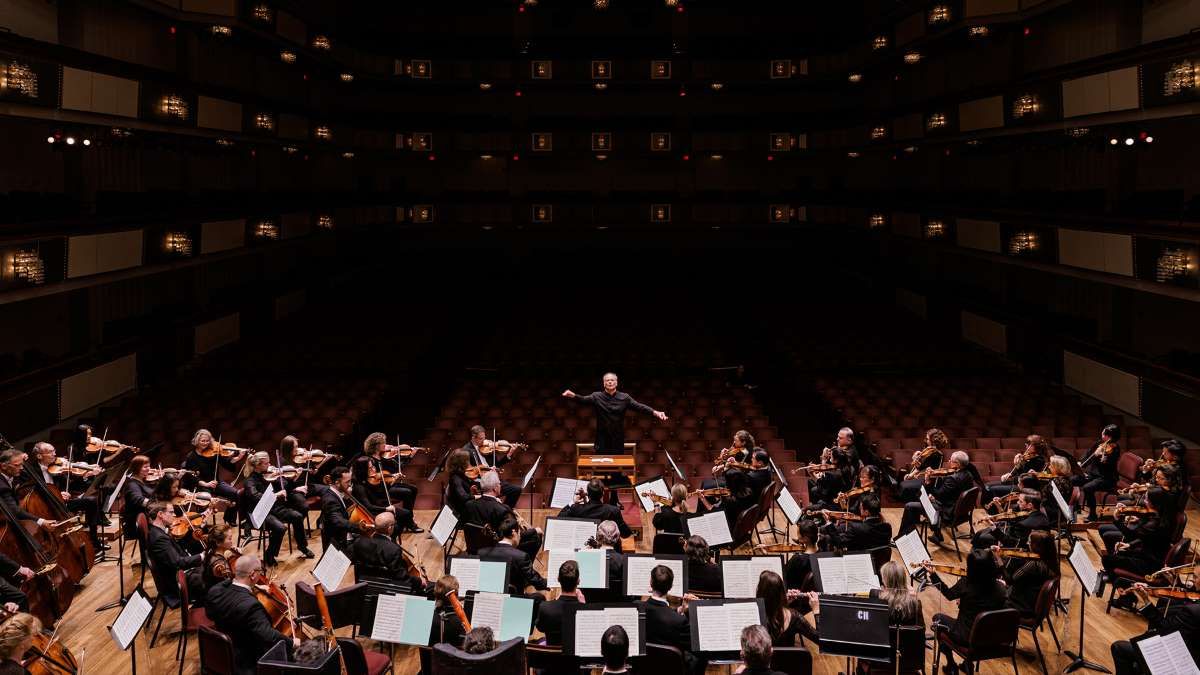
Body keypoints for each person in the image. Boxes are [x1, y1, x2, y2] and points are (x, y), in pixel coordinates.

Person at [206, 554, 301, 675]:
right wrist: (292, 643)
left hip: (223, 653)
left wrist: (252, 585)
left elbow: (210, 614)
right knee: (298, 655)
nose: (261, 575)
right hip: (248, 661)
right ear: (252, 574)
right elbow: (269, 636)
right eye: (260, 571)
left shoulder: (215, 591)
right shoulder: (251, 606)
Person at [928, 549, 1007, 674]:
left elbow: (949, 595)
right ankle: (967, 664)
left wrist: (933, 575)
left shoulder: (966, 584)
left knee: (938, 619)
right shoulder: (1002, 588)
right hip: (991, 638)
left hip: (967, 638)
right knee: (975, 622)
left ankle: (951, 665)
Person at [562, 372, 668, 452]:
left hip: (617, 438)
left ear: (616, 382)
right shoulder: (597, 396)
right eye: (607, 380)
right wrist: (573, 395)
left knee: (617, 467)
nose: (610, 382)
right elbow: (584, 400)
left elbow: (639, 407)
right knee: (601, 468)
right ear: (604, 383)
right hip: (602, 438)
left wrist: (655, 412)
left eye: (612, 380)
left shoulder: (625, 397)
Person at [1110, 581, 1200, 675]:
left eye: (1196, 577)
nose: (1194, 580)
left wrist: (1145, 600)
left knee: (1119, 648)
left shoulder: (1193, 611)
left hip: (1185, 664)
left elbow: (1165, 628)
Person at [29, 442, 106, 550]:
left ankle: (94, 540)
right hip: (45, 507)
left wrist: (86, 475)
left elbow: (71, 484)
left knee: (91, 501)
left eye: (54, 450)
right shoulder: (31, 471)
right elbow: (34, 493)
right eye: (50, 452)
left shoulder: (57, 467)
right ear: (39, 456)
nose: (55, 454)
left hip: (61, 502)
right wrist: (57, 494)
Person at [244, 452, 314, 565]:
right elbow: (255, 496)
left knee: (297, 516)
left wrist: (294, 478)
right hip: (260, 513)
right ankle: (269, 555)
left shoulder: (269, 476)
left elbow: (285, 487)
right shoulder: (250, 481)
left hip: (274, 508)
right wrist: (276, 495)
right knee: (280, 528)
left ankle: (302, 547)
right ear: (258, 465)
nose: (270, 465)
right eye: (266, 463)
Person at [898, 450, 976, 544]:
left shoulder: (952, 479)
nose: (949, 461)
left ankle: (903, 538)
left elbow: (938, 495)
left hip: (947, 512)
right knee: (928, 500)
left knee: (909, 506)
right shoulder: (969, 474)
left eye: (951, 460)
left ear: (958, 464)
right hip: (961, 512)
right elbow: (951, 493)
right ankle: (937, 534)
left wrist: (927, 482)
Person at [1101, 486, 1176, 579]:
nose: (1144, 501)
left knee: (1106, 559)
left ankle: (1116, 579)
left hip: (1148, 565)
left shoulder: (1153, 524)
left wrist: (1117, 519)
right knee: (1119, 553)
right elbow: (1145, 538)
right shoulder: (1164, 518)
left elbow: (1131, 536)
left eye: (1146, 499)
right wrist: (1130, 546)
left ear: (1154, 503)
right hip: (1152, 557)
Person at [639, 565, 702, 674]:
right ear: (671, 586)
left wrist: (680, 610)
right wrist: (685, 613)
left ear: (650, 583)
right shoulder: (680, 621)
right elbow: (695, 646)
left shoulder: (636, 608)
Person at [463, 471, 542, 558]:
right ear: (495, 488)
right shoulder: (502, 509)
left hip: (474, 550)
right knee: (535, 537)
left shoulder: (469, 505)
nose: (501, 486)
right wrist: (534, 530)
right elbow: (511, 536)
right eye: (499, 484)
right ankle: (520, 567)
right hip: (496, 552)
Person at [350, 511, 428, 593]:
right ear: (390, 528)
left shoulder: (359, 543)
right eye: (395, 523)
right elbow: (402, 578)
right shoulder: (393, 550)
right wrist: (419, 581)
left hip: (368, 587)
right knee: (431, 587)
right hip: (389, 589)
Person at [145, 500, 204, 606]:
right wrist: (201, 556)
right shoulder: (159, 539)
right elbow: (177, 563)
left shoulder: (159, 531)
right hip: (177, 584)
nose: (175, 515)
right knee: (211, 577)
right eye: (171, 512)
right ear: (160, 515)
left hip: (180, 573)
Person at [181, 429, 245, 525]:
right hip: (201, 485)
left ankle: (229, 518)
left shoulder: (213, 452)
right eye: (203, 441)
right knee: (206, 499)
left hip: (216, 482)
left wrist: (239, 457)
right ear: (197, 441)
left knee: (234, 493)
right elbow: (191, 477)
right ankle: (202, 523)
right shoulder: (191, 457)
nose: (205, 443)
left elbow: (227, 462)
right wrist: (206, 484)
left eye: (207, 441)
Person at [348, 452, 418, 536]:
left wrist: (390, 482)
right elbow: (368, 506)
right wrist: (386, 509)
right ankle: (391, 534)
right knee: (404, 515)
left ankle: (393, 533)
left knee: (406, 513)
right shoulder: (359, 487)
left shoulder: (370, 479)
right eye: (370, 468)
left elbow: (381, 492)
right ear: (362, 470)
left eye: (373, 466)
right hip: (374, 511)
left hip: (379, 504)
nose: (374, 469)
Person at [477, 515, 547, 598]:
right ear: (514, 533)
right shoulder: (521, 556)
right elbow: (534, 579)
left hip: (489, 599)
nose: (520, 537)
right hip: (513, 601)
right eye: (519, 533)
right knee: (539, 598)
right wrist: (549, 583)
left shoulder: (482, 553)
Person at [358, 432, 418, 519]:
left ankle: (408, 516)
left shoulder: (383, 458)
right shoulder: (369, 461)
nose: (386, 445)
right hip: (378, 489)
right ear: (377, 445)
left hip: (387, 484)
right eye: (383, 443)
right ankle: (408, 519)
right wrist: (392, 477)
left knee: (413, 489)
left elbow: (397, 468)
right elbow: (374, 478)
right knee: (407, 492)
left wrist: (394, 475)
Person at [461, 426, 522, 508]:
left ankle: (505, 512)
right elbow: (468, 472)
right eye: (480, 439)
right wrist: (485, 471)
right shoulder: (466, 451)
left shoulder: (488, 448)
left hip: (493, 480)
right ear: (473, 437)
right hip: (480, 482)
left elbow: (497, 464)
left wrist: (509, 454)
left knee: (516, 490)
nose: (484, 441)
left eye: (484, 438)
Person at [1000, 530, 1058, 616]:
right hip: (1031, 598)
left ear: (1037, 547)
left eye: (1030, 542)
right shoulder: (1051, 560)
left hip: (1022, 605)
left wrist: (999, 561)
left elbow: (1009, 580)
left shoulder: (1034, 564)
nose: (1027, 543)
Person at [1075, 424, 1122, 522]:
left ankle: (1092, 515)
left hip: (1107, 478)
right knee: (1073, 480)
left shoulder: (1115, 449)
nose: (1102, 434)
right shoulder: (1099, 443)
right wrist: (1081, 462)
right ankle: (1075, 508)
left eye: (1105, 434)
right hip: (1093, 475)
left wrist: (1102, 458)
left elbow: (1108, 464)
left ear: (1109, 437)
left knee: (1088, 488)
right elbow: (1088, 453)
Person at [0, 450, 54, 533]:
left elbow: (32, 478)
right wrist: (40, 521)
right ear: (3, 466)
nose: (21, 468)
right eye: (17, 465)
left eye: (22, 464)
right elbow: (14, 510)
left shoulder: (12, 473)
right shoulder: (2, 486)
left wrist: (26, 461)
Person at [972, 492, 1049, 549]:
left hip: (1021, 548)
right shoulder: (1037, 512)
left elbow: (1011, 543)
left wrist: (993, 527)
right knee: (979, 533)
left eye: (1020, 501)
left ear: (1029, 505)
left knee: (981, 537)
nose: (1017, 502)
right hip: (1018, 536)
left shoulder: (1024, 524)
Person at [559, 479, 632, 538]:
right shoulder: (613, 510)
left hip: (585, 546)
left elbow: (559, 518)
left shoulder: (576, 509)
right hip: (607, 548)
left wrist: (573, 502)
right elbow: (625, 534)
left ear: (587, 493)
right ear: (603, 493)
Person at [536, 560, 585, 646]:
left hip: (551, 653)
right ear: (578, 581)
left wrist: (555, 601)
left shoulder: (545, 608)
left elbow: (540, 628)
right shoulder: (584, 611)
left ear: (558, 579)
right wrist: (584, 606)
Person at [757, 570, 814, 645]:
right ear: (782, 591)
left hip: (762, 656)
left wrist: (784, 603)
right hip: (788, 657)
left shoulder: (751, 615)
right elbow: (824, 642)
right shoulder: (795, 618)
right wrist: (816, 611)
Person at [986, 435, 1049, 502]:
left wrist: (1012, 478)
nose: (1026, 445)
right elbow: (1019, 472)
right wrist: (1012, 471)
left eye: (1029, 444)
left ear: (1037, 447)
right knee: (987, 486)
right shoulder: (1027, 458)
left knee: (992, 489)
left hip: (1023, 486)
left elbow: (1025, 478)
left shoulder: (1039, 460)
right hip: (1017, 482)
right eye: (1027, 443)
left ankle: (994, 510)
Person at [824, 493, 892, 552]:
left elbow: (840, 542)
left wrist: (828, 522)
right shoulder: (887, 527)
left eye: (861, 507)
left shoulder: (856, 528)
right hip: (879, 560)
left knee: (828, 538)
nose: (860, 508)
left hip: (858, 559)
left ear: (866, 512)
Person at [897, 428, 948, 501]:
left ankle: (912, 503)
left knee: (904, 486)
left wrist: (912, 475)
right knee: (903, 483)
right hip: (923, 476)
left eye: (927, 439)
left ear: (933, 440)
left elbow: (929, 471)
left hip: (930, 480)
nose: (926, 440)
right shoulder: (929, 450)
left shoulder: (938, 454)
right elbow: (920, 467)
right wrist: (916, 459)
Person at [583, 520, 628, 603]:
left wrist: (586, 555)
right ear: (617, 537)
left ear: (598, 536)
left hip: (591, 604)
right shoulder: (625, 561)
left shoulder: (586, 558)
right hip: (617, 604)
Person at [873, 561, 923, 626]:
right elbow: (921, 629)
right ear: (903, 578)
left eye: (883, 577)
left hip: (886, 636)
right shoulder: (916, 603)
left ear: (886, 580)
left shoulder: (878, 599)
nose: (882, 580)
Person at [319, 466, 357, 551]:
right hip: (337, 545)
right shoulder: (330, 500)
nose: (350, 484)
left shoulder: (336, 493)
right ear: (337, 483)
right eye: (347, 482)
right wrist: (360, 527)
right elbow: (339, 521)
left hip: (343, 537)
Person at [121, 454, 155, 540]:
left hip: (147, 515)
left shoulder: (141, 481)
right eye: (145, 467)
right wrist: (156, 504)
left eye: (149, 466)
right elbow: (139, 500)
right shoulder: (132, 484)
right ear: (137, 468)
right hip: (136, 522)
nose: (149, 469)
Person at [200, 523, 238, 594]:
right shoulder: (219, 564)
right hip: (218, 597)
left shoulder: (211, 551)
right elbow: (231, 587)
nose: (231, 542)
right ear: (218, 543)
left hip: (211, 591)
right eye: (229, 539)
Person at [784, 520, 819, 590]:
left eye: (798, 534)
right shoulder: (823, 551)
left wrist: (766, 554)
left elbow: (784, 574)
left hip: (795, 593)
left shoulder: (797, 559)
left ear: (806, 538)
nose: (797, 536)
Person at [444, 450, 476, 517]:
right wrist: (477, 496)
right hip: (461, 511)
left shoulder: (461, 474)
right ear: (462, 463)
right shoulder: (455, 478)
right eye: (468, 461)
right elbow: (463, 497)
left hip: (465, 505)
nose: (469, 463)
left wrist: (471, 492)